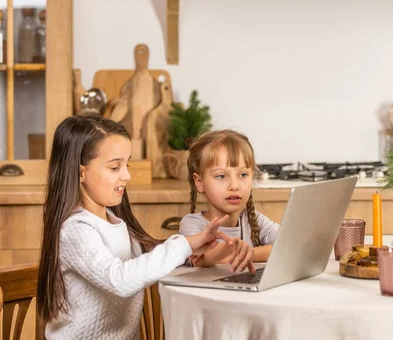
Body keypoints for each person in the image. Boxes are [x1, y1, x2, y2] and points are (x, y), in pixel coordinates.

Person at [36, 115, 254, 340]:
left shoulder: (113, 220)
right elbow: (120, 279)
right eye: (114, 167)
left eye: (126, 164)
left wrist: (193, 246)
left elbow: (146, 262)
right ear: (81, 172)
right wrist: (184, 245)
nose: (127, 175)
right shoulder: (76, 229)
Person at [179, 129, 280, 268]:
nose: (234, 185)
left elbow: (289, 244)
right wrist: (233, 249)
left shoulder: (254, 220)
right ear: (199, 182)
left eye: (243, 175)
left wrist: (249, 253)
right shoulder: (192, 224)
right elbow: (202, 259)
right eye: (221, 176)